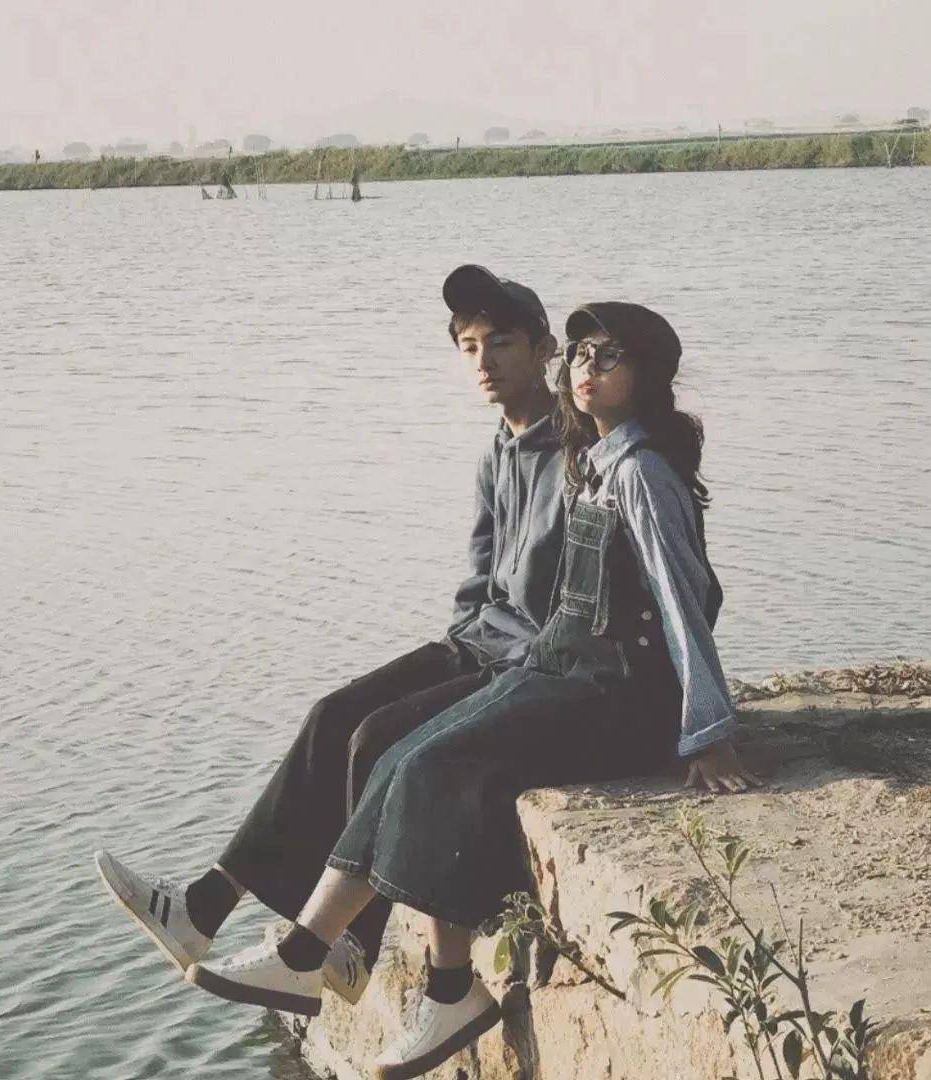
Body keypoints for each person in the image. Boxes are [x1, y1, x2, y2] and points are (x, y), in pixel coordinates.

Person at [183, 301, 759, 1080]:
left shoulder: (643, 473)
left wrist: (709, 732)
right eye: (580, 353)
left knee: (434, 766)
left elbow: (687, 601)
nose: (586, 368)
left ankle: (388, 975)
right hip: (561, 669)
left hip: (620, 697)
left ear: (648, 374)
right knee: (402, 749)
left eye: (609, 355)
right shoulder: (594, 461)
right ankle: (320, 959)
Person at [94, 265, 566, 1006]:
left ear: (543, 349)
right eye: (470, 347)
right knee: (331, 716)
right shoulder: (497, 450)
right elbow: (480, 570)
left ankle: (348, 946)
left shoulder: (574, 452)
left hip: (525, 661)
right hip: (478, 640)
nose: (484, 362)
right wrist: (461, 638)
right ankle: (203, 909)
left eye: (501, 343)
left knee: (378, 737)